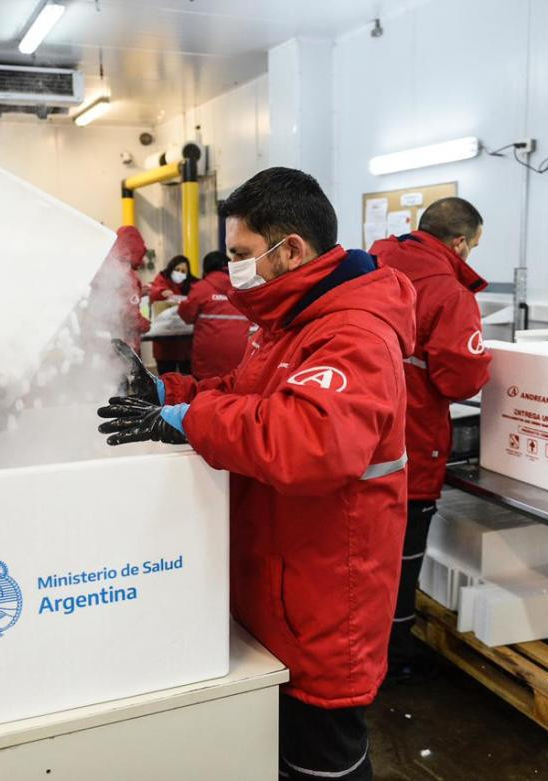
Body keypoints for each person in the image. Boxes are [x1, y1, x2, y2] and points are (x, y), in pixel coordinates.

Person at [99, 167, 415, 781]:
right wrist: (167, 390)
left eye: (242, 253)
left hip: (325, 601)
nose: (234, 266)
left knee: (323, 760)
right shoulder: (289, 321)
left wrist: (185, 420)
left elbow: (309, 442)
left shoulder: (353, 333)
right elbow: (247, 396)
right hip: (279, 584)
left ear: (290, 248)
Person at [369, 197, 492, 677]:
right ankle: (394, 657)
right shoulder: (450, 293)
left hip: (360, 434)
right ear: (460, 242)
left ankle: (360, 652)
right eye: (473, 247)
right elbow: (459, 379)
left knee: (362, 554)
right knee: (402, 558)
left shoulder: (373, 265)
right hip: (411, 443)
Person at [178, 250, 252, 379]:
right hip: (238, 357)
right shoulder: (243, 288)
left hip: (207, 360)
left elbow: (187, 316)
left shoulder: (201, 288)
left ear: (206, 269)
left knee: (205, 394)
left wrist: (182, 306)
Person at [148, 253, 196, 373]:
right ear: (171, 268)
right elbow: (154, 291)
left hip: (185, 345)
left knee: (186, 379)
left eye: (183, 271)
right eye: (177, 269)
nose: (180, 273)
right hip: (165, 345)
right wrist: (161, 292)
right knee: (167, 378)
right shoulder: (162, 279)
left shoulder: (192, 284)